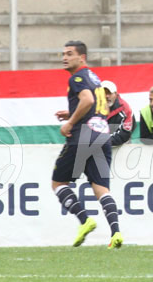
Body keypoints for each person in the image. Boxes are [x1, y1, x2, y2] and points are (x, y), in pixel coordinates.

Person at [53, 41, 123, 249]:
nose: (64, 57)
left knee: (58, 183)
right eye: (63, 53)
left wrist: (71, 122)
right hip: (102, 135)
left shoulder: (77, 77)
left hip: (83, 135)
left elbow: (87, 101)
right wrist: (72, 111)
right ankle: (116, 233)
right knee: (101, 188)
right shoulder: (95, 78)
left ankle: (85, 221)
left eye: (70, 54)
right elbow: (98, 107)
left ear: (81, 57)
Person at [101, 80, 135, 147]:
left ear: (116, 94)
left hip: (120, 148)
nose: (107, 96)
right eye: (104, 93)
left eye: (109, 93)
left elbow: (125, 134)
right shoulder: (92, 108)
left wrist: (103, 141)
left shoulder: (125, 109)